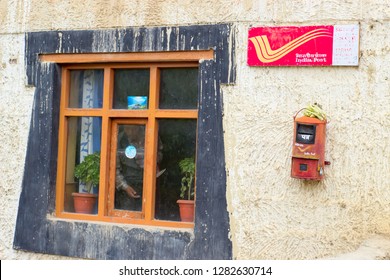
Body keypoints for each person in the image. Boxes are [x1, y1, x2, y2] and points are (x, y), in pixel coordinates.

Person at [115, 125, 163, 211]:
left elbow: (160, 153)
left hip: (148, 182)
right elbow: (114, 168)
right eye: (127, 129)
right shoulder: (119, 140)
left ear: (139, 127)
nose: (130, 132)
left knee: (149, 211)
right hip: (128, 184)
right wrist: (125, 186)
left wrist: (153, 160)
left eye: (133, 128)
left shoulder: (150, 134)